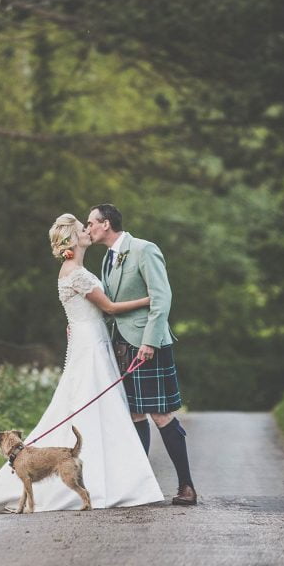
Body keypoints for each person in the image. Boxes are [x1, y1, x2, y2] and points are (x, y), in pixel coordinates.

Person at [0, 214, 164, 514]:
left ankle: (111, 479)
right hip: (91, 346)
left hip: (89, 340)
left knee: (100, 408)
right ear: (72, 239)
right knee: (96, 409)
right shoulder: (76, 273)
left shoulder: (73, 270)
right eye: (82, 229)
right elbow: (108, 307)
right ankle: (100, 483)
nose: (87, 231)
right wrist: (148, 300)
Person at [86, 203, 197, 506]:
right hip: (120, 345)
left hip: (147, 344)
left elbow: (162, 298)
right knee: (134, 415)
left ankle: (186, 485)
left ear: (106, 224)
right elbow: (111, 306)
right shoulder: (108, 258)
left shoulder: (144, 249)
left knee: (161, 415)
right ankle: (141, 487)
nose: (88, 228)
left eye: (91, 223)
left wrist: (149, 342)